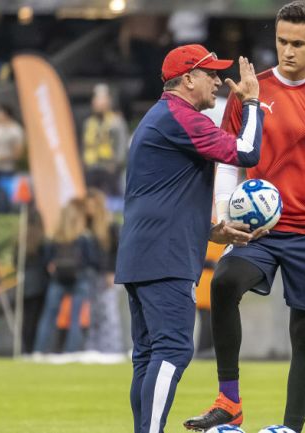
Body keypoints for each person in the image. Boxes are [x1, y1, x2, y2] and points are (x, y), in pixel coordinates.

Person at [184, 3, 305, 431]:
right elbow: (227, 162)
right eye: (282, 41)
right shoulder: (250, 93)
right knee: (224, 284)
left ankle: (291, 428)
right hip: (259, 231)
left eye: (298, 44)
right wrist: (225, 218)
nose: (288, 51)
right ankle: (229, 401)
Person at [114, 43, 265, 433]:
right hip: (165, 257)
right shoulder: (180, 117)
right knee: (173, 349)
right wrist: (251, 104)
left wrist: (209, 230)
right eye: (210, 73)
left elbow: (164, 194)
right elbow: (247, 152)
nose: (218, 81)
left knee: (148, 356)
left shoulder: (160, 117)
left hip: (142, 252)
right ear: (188, 79)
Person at [33, 199, 97, 355]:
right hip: (79, 278)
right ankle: (71, 352)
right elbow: (92, 259)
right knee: (75, 318)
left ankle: (39, 351)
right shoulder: (84, 237)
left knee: (48, 316)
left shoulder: (54, 236)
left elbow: (45, 259)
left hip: (57, 279)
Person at [83, 188, 125, 360]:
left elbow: (116, 251)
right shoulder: (87, 226)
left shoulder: (110, 226)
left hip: (107, 275)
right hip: (92, 274)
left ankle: (112, 349)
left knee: (109, 313)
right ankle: (95, 348)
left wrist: (111, 271)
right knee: (94, 313)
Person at [82, 84, 129, 198]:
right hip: (92, 169)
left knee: (112, 201)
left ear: (108, 101)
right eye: (96, 99)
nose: (97, 102)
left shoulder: (116, 122)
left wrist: (115, 164)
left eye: (101, 99)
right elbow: (84, 146)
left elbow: (122, 145)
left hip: (109, 169)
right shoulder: (89, 122)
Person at [17, 208, 50, 354]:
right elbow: (46, 261)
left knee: (25, 319)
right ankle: (33, 349)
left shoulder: (20, 241)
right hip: (39, 284)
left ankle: (24, 348)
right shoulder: (43, 241)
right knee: (36, 318)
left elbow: (15, 262)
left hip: (24, 284)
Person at [0, 104, 24, 216]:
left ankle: (4, 222)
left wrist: (2, 157)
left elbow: (18, 154)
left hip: (6, 170)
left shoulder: (16, 130)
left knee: (5, 200)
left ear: (6, 114)